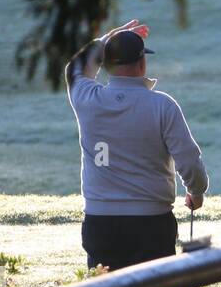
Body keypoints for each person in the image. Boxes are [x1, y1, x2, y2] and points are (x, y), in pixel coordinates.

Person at [65, 19, 209, 270]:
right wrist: (196, 191)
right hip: (151, 221)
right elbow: (189, 160)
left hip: (100, 221)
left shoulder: (88, 99)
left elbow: (75, 68)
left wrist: (106, 40)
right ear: (142, 62)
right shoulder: (163, 105)